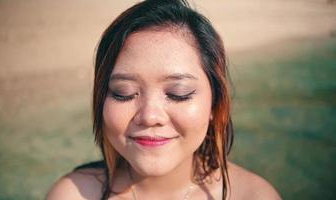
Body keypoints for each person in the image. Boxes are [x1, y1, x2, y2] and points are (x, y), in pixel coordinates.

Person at [46, 0, 281, 199]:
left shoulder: (254, 195)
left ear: (215, 103)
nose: (150, 116)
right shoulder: (74, 194)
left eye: (178, 94)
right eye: (123, 92)